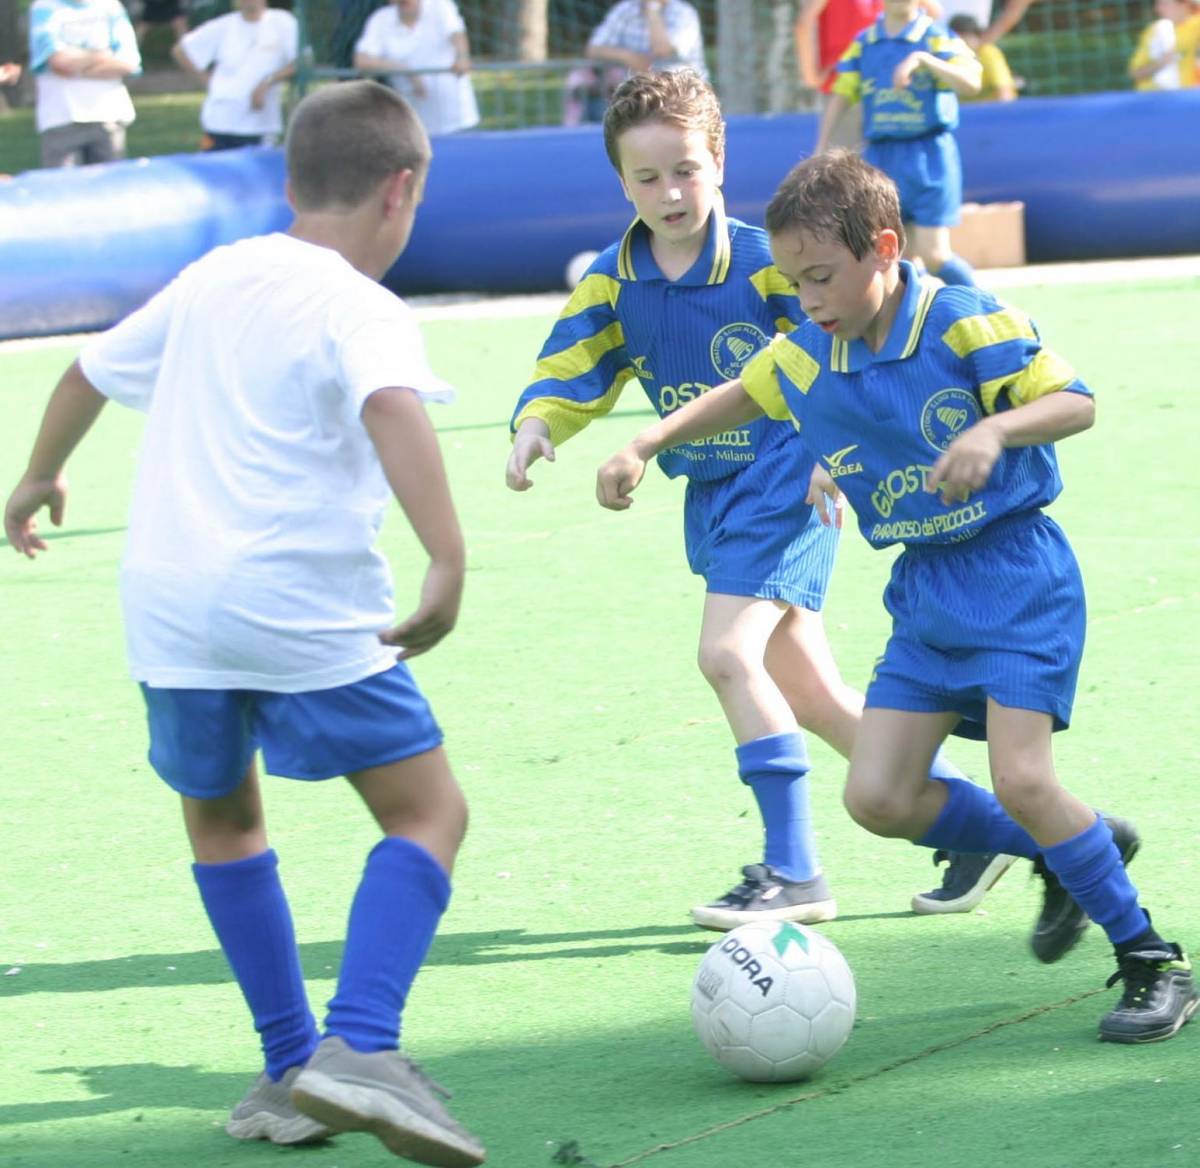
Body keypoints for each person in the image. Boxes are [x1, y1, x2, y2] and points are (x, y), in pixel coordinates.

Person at [596, 149, 1198, 1044]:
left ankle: (1154, 960)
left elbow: (1076, 400)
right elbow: (745, 394)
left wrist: (995, 429)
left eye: (822, 278)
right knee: (877, 798)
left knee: (1024, 777)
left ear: (884, 248)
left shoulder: (959, 319)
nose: (809, 300)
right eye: (795, 283)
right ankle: (1077, 846)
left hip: (1016, 574)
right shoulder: (810, 351)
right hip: (924, 589)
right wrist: (644, 443)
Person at [3, 80, 486, 1162]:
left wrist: (37, 475)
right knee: (427, 814)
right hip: (295, 604)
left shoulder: (218, 270)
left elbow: (85, 369)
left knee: (224, 821)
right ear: (400, 192)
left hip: (167, 606)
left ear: (289, 182)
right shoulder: (360, 303)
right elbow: (392, 406)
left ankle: (284, 1066)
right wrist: (447, 556)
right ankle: (359, 1045)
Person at [507, 68, 1008, 931]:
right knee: (808, 695)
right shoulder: (613, 277)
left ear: (720, 162)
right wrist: (538, 421)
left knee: (728, 656)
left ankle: (795, 872)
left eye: (687, 170)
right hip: (711, 495)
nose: (670, 193)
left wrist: (836, 449)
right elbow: (573, 360)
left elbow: (843, 341)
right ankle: (990, 828)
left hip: (785, 481)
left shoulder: (772, 265)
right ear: (621, 182)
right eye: (648, 177)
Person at [814, 0, 981, 286]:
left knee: (934, 255)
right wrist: (821, 144)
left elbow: (972, 82)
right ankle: (914, 324)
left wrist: (924, 60)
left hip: (929, 155)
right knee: (893, 258)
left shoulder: (936, 37)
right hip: (882, 157)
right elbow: (842, 93)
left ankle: (986, 311)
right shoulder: (865, 42)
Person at [171, 0, 298, 151]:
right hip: (217, 124)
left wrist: (267, 82)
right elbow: (181, 50)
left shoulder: (283, 22)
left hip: (259, 127)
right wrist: (206, 80)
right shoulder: (223, 26)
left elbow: (301, 62)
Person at [28, 0, 141, 168]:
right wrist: (102, 56)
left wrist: (75, 67)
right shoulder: (44, 7)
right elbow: (57, 60)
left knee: (110, 189)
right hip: (60, 117)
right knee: (62, 189)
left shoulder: (111, 7)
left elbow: (128, 62)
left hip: (109, 116)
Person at [354, 0, 479, 137]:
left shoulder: (440, 5)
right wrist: (405, 70)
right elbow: (362, 61)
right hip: (413, 127)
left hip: (457, 120)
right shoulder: (380, 19)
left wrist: (462, 57)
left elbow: (457, 34)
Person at [949, 13, 1017, 99]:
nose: (961, 43)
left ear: (977, 36)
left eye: (965, 38)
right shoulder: (948, 56)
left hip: (991, 110)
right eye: (956, 38)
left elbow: (1004, 93)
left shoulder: (987, 53)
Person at [1128, 0, 1191, 91]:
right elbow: (1135, 73)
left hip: (1188, 97)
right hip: (1154, 97)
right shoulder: (1154, 31)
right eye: (1157, 4)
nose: (1157, 9)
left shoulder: (1195, 27)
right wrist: (1161, 63)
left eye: (1164, 4)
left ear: (1184, 5)